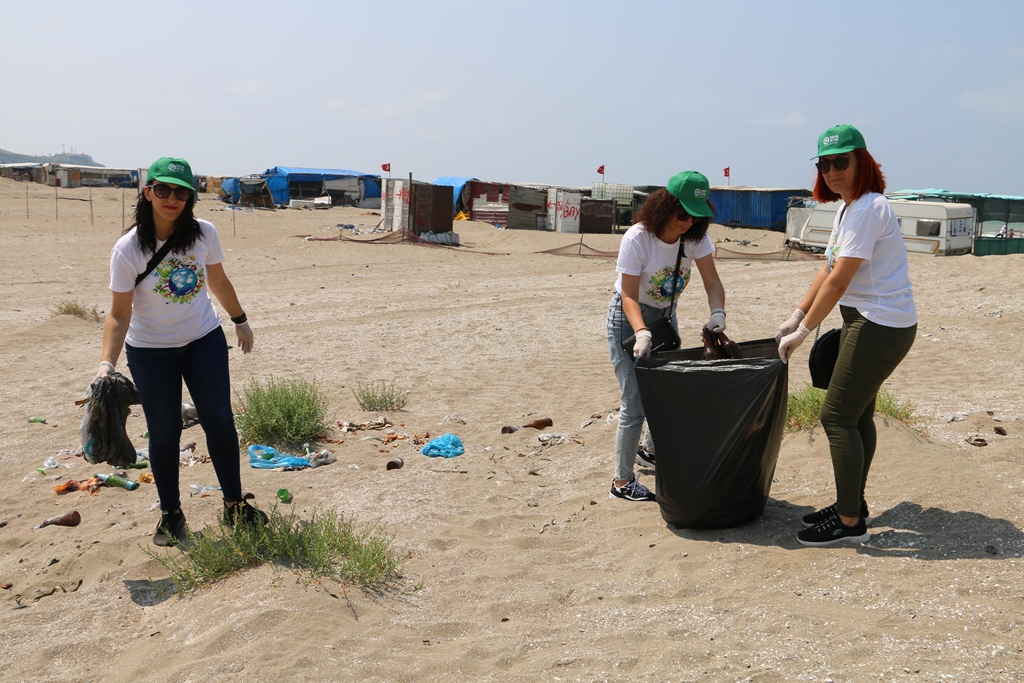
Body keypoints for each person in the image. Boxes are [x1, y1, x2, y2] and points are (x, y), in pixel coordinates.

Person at [96, 156, 267, 546]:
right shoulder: (127, 250)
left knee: (220, 421)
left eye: (181, 192)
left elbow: (218, 282)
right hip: (151, 350)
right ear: (148, 192)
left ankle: (234, 506)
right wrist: (106, 364)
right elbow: (119, 315)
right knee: (164, 431)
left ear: (191, 197)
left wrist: (240, 320)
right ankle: (171, 514)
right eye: (163, 189)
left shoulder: (204, 234)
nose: (171, 198)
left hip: (202, 340)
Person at [776, 125, 917, 547]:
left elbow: (839, 281)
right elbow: (826, 269)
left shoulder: (869, 208)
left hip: (880, 324)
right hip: (868, 321)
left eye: (842, 161)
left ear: (863, 162)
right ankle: (851, 503)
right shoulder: (848, 208)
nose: (833, 170)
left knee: (836, 418)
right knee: (857, 417)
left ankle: (850, 520)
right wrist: (797, 313)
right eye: (825, 163)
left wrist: (802, 333)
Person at [607, 170, 727, 501]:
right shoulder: (637, 238)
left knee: (665, 393)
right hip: (628, 320)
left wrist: (718, 312)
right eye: (682, 213)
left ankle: (649, 450)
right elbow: (629, 296)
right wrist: (641, 332)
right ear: (664, 205)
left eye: (696, 216)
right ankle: (621, 481)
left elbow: (713, 283)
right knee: (634, 403)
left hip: (664, 318)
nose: (687, 222)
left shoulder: (696, 240)